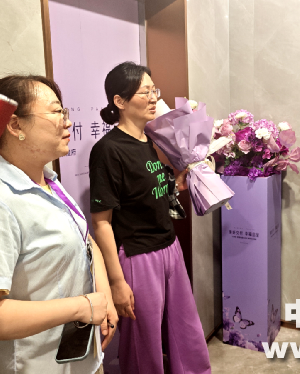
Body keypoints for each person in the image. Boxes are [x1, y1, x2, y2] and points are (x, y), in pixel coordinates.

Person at [0, 75, 118, 374]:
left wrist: (104, 297)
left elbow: (83, 239)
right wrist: (83, 306)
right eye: (56, 112)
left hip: (81, 359)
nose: (68, 122)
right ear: (15, 125)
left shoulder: (47, 180)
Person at [89, 62, 211, 374]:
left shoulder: (152, 140)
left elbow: (154, 191)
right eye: (145, 92)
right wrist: (117, 282)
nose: (154, 97)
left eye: (153, 90)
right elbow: (101, 222)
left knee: (186, 329)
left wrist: (181, 180)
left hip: (169, 246)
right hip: (138, 255)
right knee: (143, 343)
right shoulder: (108, 150)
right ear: (119, 101)